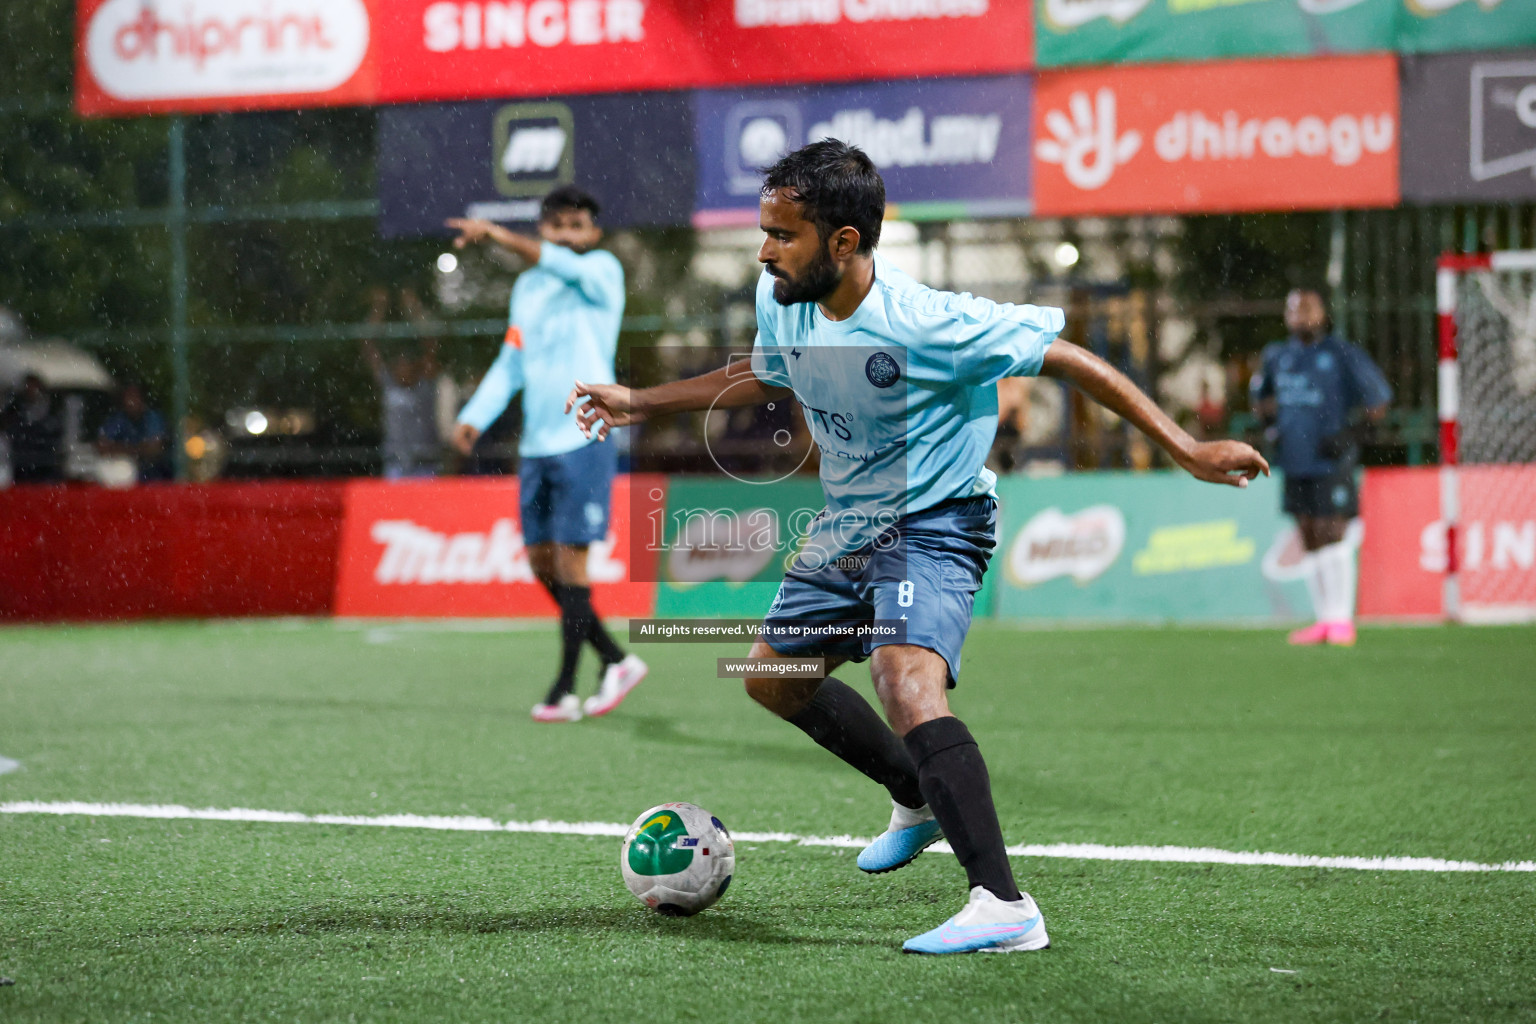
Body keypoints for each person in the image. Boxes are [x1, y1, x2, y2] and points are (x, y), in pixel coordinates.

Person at [566, 141, 1269, 954]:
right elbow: (770, 370)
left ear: (843, 243)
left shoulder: (928, 321)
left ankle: (1004, 906)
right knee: (771, 677)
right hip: (847, 526)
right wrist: (641, 401)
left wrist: (1187, 449)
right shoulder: (784, 298)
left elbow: (1066, 357)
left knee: (904, 680)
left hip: (936, 520)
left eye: (782, 236)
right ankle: (915, 791)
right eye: (764, 232)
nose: (765, 251)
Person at [447, 185, 647, 724]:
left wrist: (494, 233)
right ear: (543, 228)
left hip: (583, 435)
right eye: (556, 224)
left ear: (594, 234)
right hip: (535, 444)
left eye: (576, 224)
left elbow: (553, 259)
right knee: (542, 563)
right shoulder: (528, 289)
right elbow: (511, 361)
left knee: (572, 561)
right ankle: (615, 659)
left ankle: (563, 688)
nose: (565, 232)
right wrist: (474, 415)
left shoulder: (602, 272)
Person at [1251, 288, 1391, 647]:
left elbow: (1378, 400)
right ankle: (1323, 620)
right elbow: (1261, 398)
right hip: (1294, 459)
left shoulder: (1341, 354)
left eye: (1308, 308)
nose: (1301, 315)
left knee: (1333, 531)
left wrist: (1352, 433)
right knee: (1309, 534)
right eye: (1294, 308)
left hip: (1332, 461)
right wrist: (1270, 426)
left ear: (1322, 313)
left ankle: (1341, 619)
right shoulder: (1278, 356)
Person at [361, 287, 442, 480]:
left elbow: (431, 343)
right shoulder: (389, 385)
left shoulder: (425, 386)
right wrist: (378, 309)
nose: (402, 367)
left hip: (425, 465)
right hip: (395, 465)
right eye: (398, 363)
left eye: (407, 363)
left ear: (416, 366)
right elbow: (367, 345)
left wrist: (414, 309)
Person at [96, 382, 172, 483]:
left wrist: (120, 449)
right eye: (128, 397)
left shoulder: (152, 417)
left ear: (142, 399)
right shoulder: (119, 419)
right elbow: (102, 447)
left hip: (156, 475)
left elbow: (154, 450)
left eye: (134, 397)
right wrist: (137, 450)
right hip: (124, 474)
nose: (131, 402)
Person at [1, 374, 65, 484]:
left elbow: (56, 437)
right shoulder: (15, 409)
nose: (30, 390)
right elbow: (10, 431)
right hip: (21, 465)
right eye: (28, 386)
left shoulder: (51, 411)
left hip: (45, 466)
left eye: (34, 386)